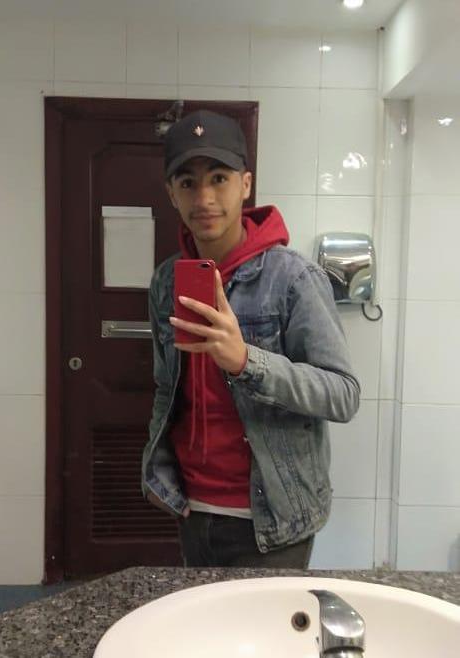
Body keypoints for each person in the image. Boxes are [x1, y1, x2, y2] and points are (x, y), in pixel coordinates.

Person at [141, 109, 360, 568]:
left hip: (273, 517)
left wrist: (245, 361)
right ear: (172, 194)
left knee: (270, 620)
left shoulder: (294, 279)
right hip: (192, 507)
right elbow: (166, 387)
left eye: (218, 179)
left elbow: (342, 395)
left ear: (245, 185)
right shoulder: (166, 281)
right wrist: (156, 469)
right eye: (188, 183)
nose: (204, 198)